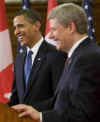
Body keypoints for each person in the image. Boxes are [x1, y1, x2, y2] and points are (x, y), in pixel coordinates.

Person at [12, 3, 100, 122]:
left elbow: (83, 114)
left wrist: (41, 116)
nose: (51, 36)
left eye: (53, 29)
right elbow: (59, 101)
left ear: (70, 27)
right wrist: (28, 110)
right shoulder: (76, 57)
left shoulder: (87, 58)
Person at [8, 9, 67, 112]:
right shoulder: (19, 59)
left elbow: (60, 98)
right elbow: (15, 98)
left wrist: (32, 110)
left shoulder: (56, 55)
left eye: (21, 26)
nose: (16, 32)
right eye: (15, 28)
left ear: (36, 25)